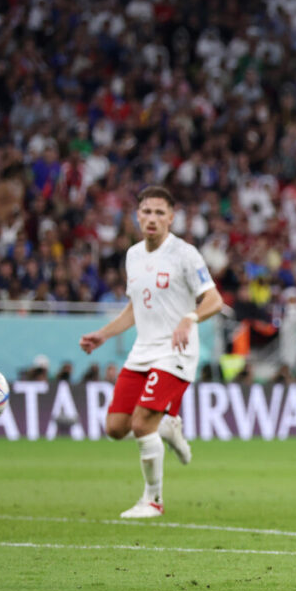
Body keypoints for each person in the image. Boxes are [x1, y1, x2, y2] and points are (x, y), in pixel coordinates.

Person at [80, 186, 223, 518]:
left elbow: (215, 300)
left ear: (171, 218)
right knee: (116, 427)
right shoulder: (133, 255)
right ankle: (168, 427)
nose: (152, 218)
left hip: (176, 352)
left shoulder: (185, 255)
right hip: (142, 350)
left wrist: (190, 318)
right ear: (137, 216)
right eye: (147, 211)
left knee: (142, 423)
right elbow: (135, 308)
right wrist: (103, 334)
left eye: (160, 212)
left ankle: (153, 501)